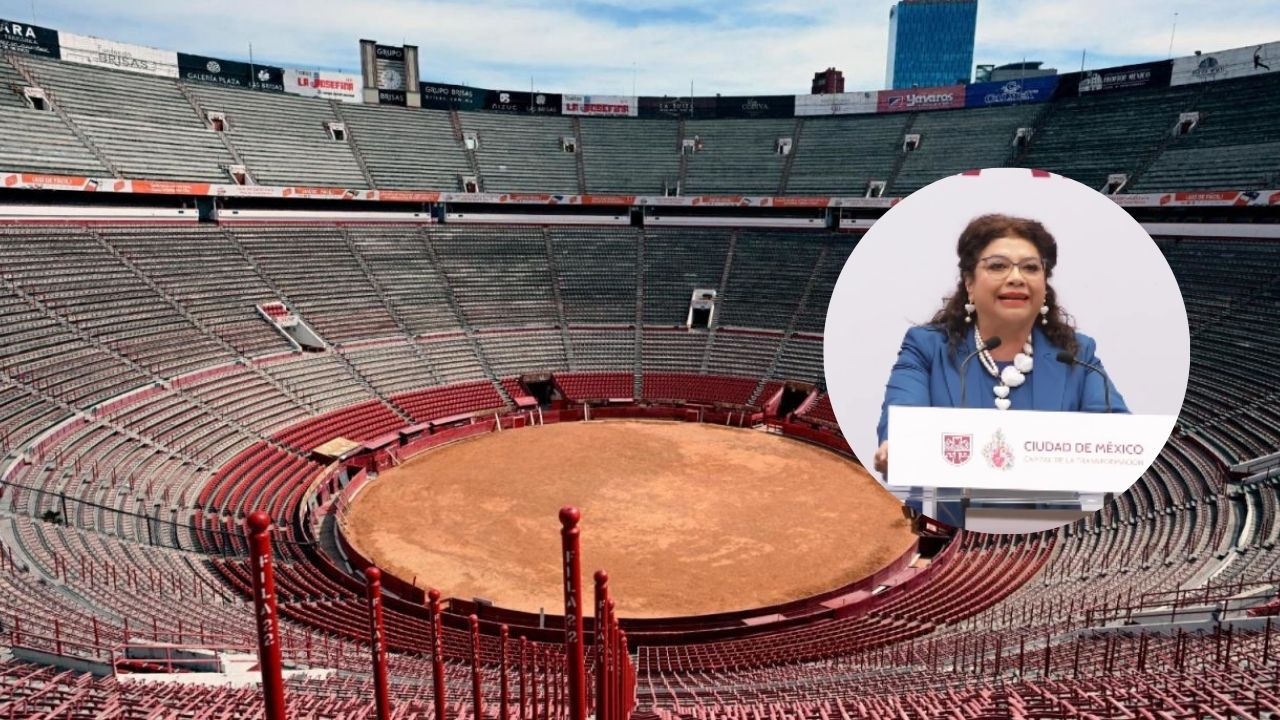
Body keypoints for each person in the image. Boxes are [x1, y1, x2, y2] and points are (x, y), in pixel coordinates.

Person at [874, 213, 1128, 476]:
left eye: (1030, 268)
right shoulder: (927, 347)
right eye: (998, 266)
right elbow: (903, 412)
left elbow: (1119, 436)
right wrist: (898, 444)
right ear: (969, 283)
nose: (1016, 278)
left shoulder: (1078, 354)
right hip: (949, 513)